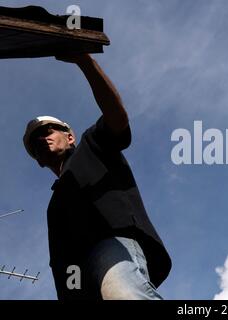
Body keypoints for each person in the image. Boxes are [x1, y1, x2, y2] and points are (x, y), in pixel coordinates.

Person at [22, 54, 171, 300]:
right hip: (77, 280)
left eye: (48, 131)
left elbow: (117, 118)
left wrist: (83, 60)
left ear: (70, 137)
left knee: (124, 295)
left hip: (111, 246)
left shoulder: (92, 145)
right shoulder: (54, 205)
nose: (42, 138)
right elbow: (60, 259)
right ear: (38, 161)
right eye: (35, 142)